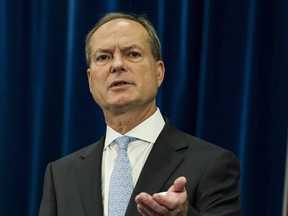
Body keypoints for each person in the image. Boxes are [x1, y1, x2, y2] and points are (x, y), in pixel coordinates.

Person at [39, 12, 242, 216]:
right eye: (104, 57)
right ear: (91, 80)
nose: (117, 65)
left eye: (132, 54)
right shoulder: (60, 175)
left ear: (158, 72)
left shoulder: (211, 163)